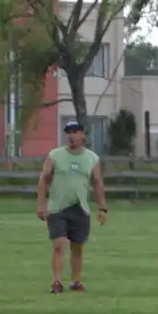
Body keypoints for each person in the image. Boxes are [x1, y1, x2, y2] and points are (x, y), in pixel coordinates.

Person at [36, 119, 108, 293]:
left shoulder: (92, 158)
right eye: (68, 132)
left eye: (75, 132)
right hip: (58, 208)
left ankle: (75, 281)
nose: (71, 136)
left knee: (77, 247)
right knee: (60, 245)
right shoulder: (55, 155)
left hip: (80, 207)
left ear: (82, 135)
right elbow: (44, 179)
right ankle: (57, 282)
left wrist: (102, 208)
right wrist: (41, 204)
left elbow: (97, 182)